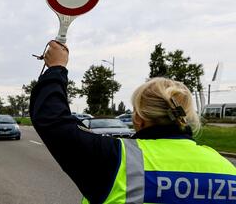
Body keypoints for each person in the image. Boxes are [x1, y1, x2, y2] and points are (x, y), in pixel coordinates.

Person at [30, 41, 236, 204]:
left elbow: (53, 121)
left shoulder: (115, 158)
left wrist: (57, 68)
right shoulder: (226, 169)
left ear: (139, 118)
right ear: (188, 116)